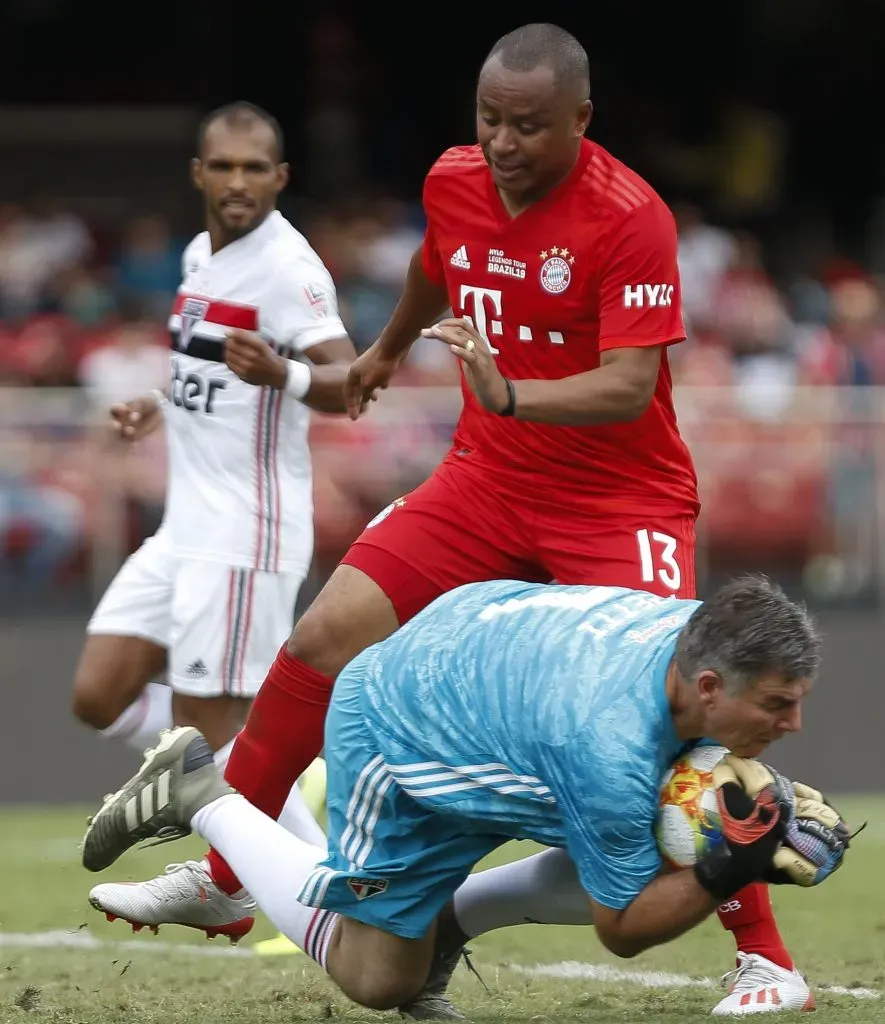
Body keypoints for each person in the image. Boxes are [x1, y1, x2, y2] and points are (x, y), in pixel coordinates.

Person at [85, 25, 805, 1015]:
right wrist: (381, 355)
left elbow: (632, 386)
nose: (505, 144)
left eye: (531, 126)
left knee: (678, 711)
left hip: (617, 499)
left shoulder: (630, 216)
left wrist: (508, 393)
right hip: (487, 478)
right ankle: (225, 877)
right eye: (491, 121)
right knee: (323, 637)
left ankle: (766, 958)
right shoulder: (454, 179)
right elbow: (440, 262)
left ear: (582, 121)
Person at [84, 576, 851, 1019]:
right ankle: (199, 790)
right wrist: (731, 867)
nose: (794, 724)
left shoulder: (695, 637)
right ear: (710, 686)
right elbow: (622, 931)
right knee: (380, 982)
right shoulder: (607, 747)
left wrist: (744, 824)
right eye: (778, 705)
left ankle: (441, 926)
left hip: (480, 671)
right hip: (401, 729)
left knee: (658, 837)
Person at [70, 100, 358, 935]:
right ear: (200, 174)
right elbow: (205, 372)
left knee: (204, 737)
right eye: (223, 167)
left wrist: (286, 374)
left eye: (254, 168)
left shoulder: (289, 269)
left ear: (280, 178)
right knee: (101, 694)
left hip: (244, 534)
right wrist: (159, 405)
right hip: (183, 526)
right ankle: (287, 843)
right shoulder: (201, 255)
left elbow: (350, 380)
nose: (238, 182)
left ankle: (284, 894)